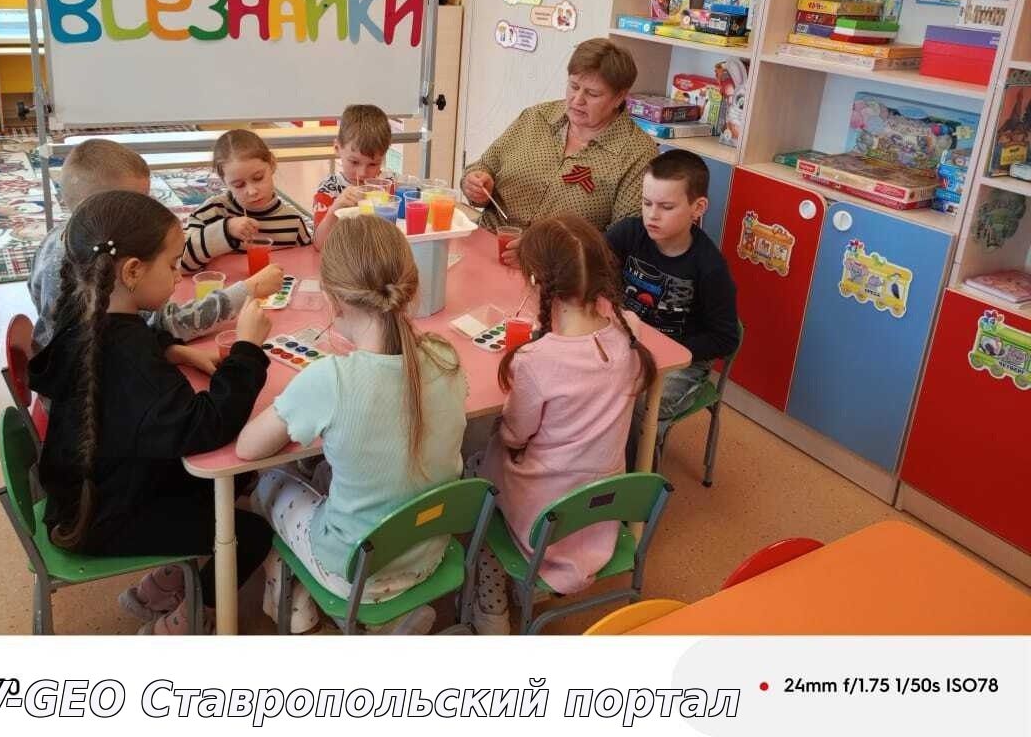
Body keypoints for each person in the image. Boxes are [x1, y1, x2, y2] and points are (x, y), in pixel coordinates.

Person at [28, 190, 275, 634]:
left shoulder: (85, 314)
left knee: (238, 478)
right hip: (100, 518)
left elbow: (134, 343)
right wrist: (247, 350)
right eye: (173, 264)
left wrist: (172, 349)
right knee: (252, 534)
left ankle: (160, 586)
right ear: (132, 271)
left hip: (87, 490)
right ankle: (186, 622)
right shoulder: (129, 359)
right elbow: (206, 426)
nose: (179, 276)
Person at [235, 216, 467, 633]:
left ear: (334, 300)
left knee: (267, 484)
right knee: (330, 472)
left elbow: (247, 449)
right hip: (430, 552)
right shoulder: (446, 356)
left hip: (354, 569)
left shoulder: (330, 380)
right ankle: (389, 619)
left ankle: (294, 596)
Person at [471, 214, 657, 634]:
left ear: (537, 281)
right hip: (599, 515)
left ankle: (491, 604)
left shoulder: (536, 361)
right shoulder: (630, 334)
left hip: (543, 520)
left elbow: (515, 435)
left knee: (475, 476)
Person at [29, 138, 284, 353]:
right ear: (98, 207)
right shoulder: (106, 265)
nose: (147, 211)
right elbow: (167, 324)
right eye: (135, 203)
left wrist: (173, 352)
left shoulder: (54, 239)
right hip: (90, 390)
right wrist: (247, 290)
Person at [460, 38, 657, 262]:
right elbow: (484, 165)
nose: (577, 100)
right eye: (573, 86)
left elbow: (623, 243)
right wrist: (475, 183)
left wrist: (546, 251)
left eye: (592, 94)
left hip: (560, 271)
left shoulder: (637, 153)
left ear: (619, 97)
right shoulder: (536, 118)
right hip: (488, 247)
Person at [605, 150, 739, 463]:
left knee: (637, 405)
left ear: (698, 208)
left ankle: (635, 479)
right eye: (646, 203)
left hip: (682, 363)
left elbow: (725, 338)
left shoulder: (710, 268)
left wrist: (664, 348)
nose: (652, 215)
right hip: (628, 341)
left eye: (666, 207)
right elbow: (592, 269)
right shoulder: (629, 233)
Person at [183, 129, 311, 272]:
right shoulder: (211, 213)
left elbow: (308, 267)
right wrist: (225, 230)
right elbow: (178, 264)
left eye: (258, 178)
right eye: (239, 185)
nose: (252, 191)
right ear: (224, 180)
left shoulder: (293, 221)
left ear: (272, 164)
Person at [310, 104, 393, 249]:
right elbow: (319, 244)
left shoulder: (388, 184)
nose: (362, 173)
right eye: (354, 162)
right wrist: (335, 209)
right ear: (337, 148)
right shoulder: (329, 189)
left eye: (373, 164)